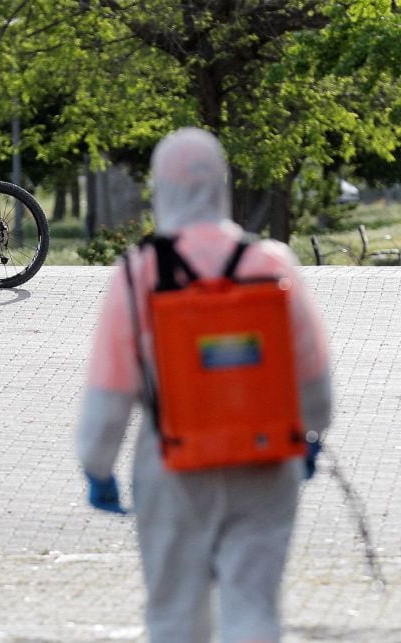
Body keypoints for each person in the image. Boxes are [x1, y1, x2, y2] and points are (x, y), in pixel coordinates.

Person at [76, 128, 333, 642]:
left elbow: (109, 399)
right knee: (253, 606)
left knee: (174, 613)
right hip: (263, 461)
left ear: (159, 187)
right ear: (223, 183)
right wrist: (307, 436)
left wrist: (98, 467)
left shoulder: (138, 274)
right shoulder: (273, 264)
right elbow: (315, 383)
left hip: (171, 463)